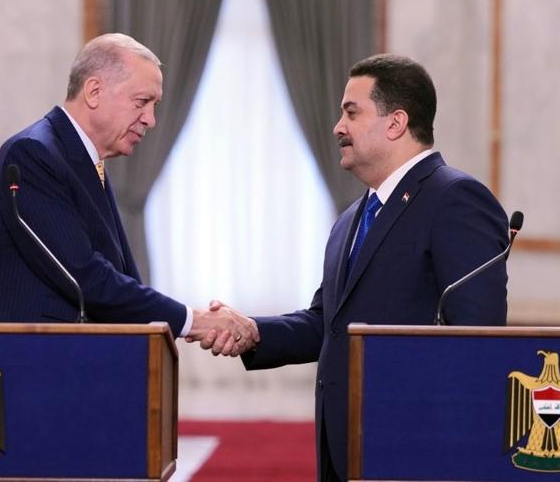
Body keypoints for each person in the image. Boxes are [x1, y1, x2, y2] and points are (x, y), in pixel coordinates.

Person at [199, 54, 509, 481]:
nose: (337, 127)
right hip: (342, 446)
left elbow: (477, 339)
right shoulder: (351, 218)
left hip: (413, 448)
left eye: (351, 112)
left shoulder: (455, 199)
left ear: (396, 123)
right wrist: (253, 331)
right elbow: (327, 324)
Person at [0, 33, 257, 347]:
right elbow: (86, 277)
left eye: (155, 105)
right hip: (21, 361)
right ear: (94, 92)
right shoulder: (34, 154)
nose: (151, 120)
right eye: (142, 102)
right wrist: (193, 320)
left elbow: (119, 277)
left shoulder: (87, 163)